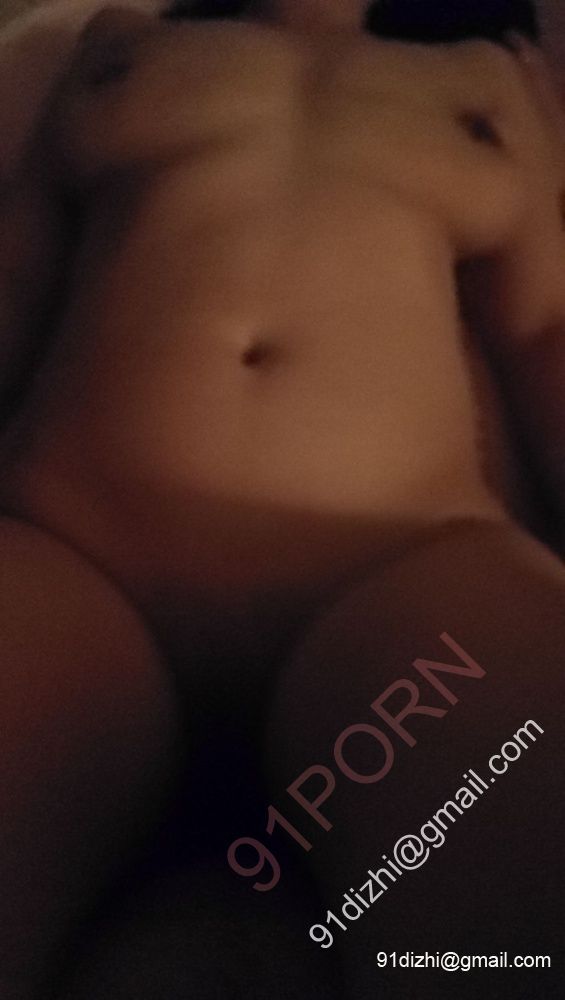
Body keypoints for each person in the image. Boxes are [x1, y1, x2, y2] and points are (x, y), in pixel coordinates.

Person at [0, 1, 564, 997]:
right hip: (79, 552)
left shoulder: (483, 76)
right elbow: (13, 283)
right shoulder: (119, 41)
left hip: (399, 577)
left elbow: (544, 329)